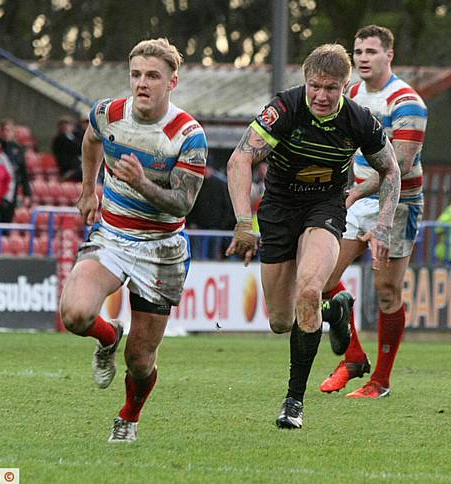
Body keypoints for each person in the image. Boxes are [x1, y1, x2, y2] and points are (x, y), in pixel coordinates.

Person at [225, 43, 400, 429]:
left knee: (309, 289)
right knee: (281, 321)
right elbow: (239, 158)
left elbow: (391, 170)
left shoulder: (359, 120)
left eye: (331, 88)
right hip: (278, 209)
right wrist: (242, 222)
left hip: (326, 207)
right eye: (315, 86)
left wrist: (383, 223)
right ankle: (334, 310)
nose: (321, 95)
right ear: (305, 82)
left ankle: (294, 402)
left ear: (345, 87)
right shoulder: (284, 109)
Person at [59, 38, 207, 443]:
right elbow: (91, 139)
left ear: (172, 82)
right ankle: (108, 337)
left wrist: (142, 182)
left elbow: (183, 204)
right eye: (137, 75)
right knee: (74, 313)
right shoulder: (109, 113)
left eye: (153, 76)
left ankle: (128, 416)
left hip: (161, 250)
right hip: (112, 236)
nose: (142, 83)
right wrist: (89, 189)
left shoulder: (188, 135)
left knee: (140, 361)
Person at [319, 26, 427, 399]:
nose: (363, 57)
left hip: (398, 201)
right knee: (324, 276)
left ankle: (379, 381)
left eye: (371, 51)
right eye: (358, 50)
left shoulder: (407, 102)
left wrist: (356, 192)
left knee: (386, 290)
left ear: (389, 56)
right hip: (357, 197)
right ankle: (353, 357)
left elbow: (402, 163)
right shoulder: (349, 94)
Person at [52, 116, 82, 181]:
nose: (65, 127)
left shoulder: (75, 137)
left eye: (67, 124)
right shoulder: (59, 140)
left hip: (78, 165)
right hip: (68, 168)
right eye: (62, 125)